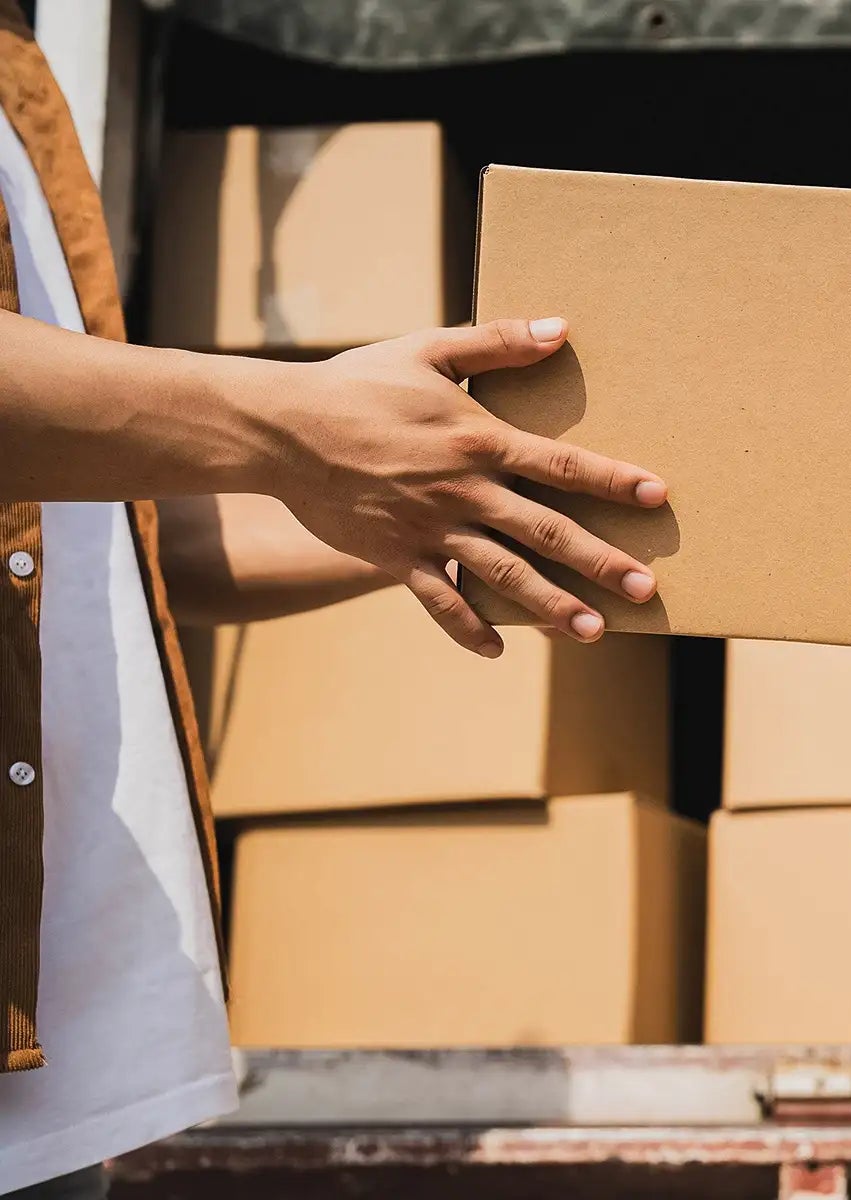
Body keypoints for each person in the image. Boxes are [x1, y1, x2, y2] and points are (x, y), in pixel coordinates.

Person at [0, 7, 666, 1196]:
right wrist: (296, 425)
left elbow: (114, 543)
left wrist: (478, 510)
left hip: (61, 1055)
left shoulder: (18, 68)